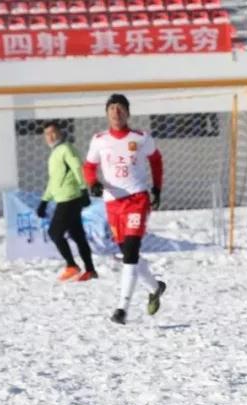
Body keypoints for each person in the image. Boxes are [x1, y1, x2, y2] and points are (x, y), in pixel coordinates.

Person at [83, 94, 166, 325]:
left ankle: (122, 308)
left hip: (137, 199)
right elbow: (89, 166)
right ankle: (156, 287)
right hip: (112, 203)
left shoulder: (141, 138)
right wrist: (93, 183)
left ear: (128, 112)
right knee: (129, 255)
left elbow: (156, 160)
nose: (116, 113)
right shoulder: (99, 140)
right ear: (107, 113)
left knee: (130, 251)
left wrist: (157, 188)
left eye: (120, 109)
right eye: (112, 109)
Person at [38, 121, 97, 282]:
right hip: (64, 198)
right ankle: (90, 270)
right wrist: (44, 200)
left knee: (54, 232)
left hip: (70, 198)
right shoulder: (54, 153)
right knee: (77, 235)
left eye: (53, 132)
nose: (50, 136)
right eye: (47, 134)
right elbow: (54, 181)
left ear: (60, 133)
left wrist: (84, 190)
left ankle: (71, 265)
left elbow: (79, 167)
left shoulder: (66, 149)